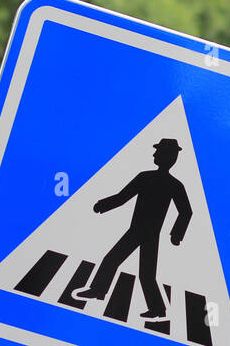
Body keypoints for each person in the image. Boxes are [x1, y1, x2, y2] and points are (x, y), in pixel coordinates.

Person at [73, 137, 191, 319]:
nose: (154, 153)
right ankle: (99, 292)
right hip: (140, 231)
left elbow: (186, 212)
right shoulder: (151, 178)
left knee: (140, 271)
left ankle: (157, 309)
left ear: (168, 157)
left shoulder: (168, 183)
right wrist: (103, 205)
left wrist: (177, 234)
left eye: (158, 151)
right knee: (123, 265)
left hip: (145, 233)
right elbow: (122, 197)